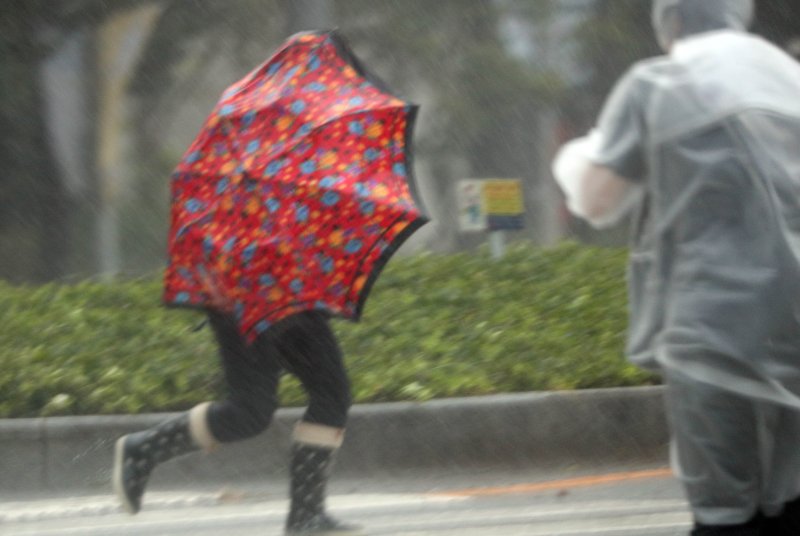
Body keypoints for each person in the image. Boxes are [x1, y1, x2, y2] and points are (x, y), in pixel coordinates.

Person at [552, 1, 800, 534]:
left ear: (672, 22)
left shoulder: (659, 83)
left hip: (713, 328)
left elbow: (597, 201)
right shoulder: (791, 79)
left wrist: (579, 156)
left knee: (725, 510)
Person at [112, 283, 363, 535]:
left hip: (297, 296)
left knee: (332, 396)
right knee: (250, 412)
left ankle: (307, 515)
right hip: (242, 299)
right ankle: (143, 449)